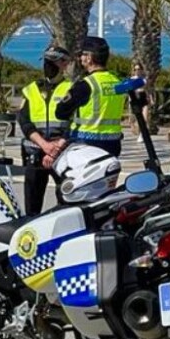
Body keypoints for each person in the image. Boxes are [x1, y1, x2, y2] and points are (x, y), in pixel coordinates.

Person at [18, 45, 73, 215]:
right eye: (46, 61)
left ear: (65, 64)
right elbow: (24, 121)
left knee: (67, 201)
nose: (48, 65)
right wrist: (44, 145)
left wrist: (55, 148)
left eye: (53, 61)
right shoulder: (31, 89)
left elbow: (75, 122)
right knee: (32, 206)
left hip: (62, 153)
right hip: (35, 152)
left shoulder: (72, 89)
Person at [54, 36, 125, 159]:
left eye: (82, 55)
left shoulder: (86, 84)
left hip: (86, 145)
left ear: (89, 57)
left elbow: (60, 112)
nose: (80, 58)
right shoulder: (117, 82)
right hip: (113, 144)